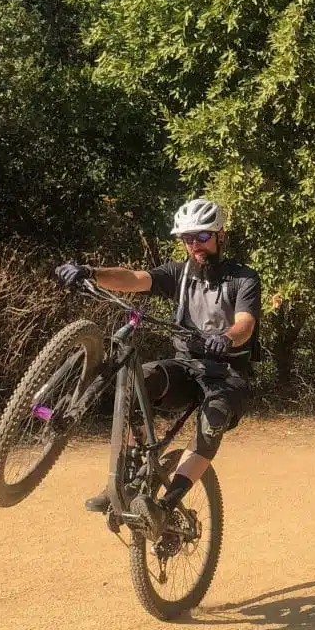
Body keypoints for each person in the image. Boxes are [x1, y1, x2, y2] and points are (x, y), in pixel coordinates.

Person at [55, 197, 261, 537]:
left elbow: (245, 324)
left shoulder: (243, 278)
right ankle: (122, 482)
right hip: (185, 366)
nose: (195, 245)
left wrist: (227, 338)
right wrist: (91, 272)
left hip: (226, 375)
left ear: (220, 236)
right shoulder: (178, 274)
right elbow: (133, 278)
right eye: (188, 238)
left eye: (202, 236)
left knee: (211, 424)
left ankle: (166, 505)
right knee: (140, 381)